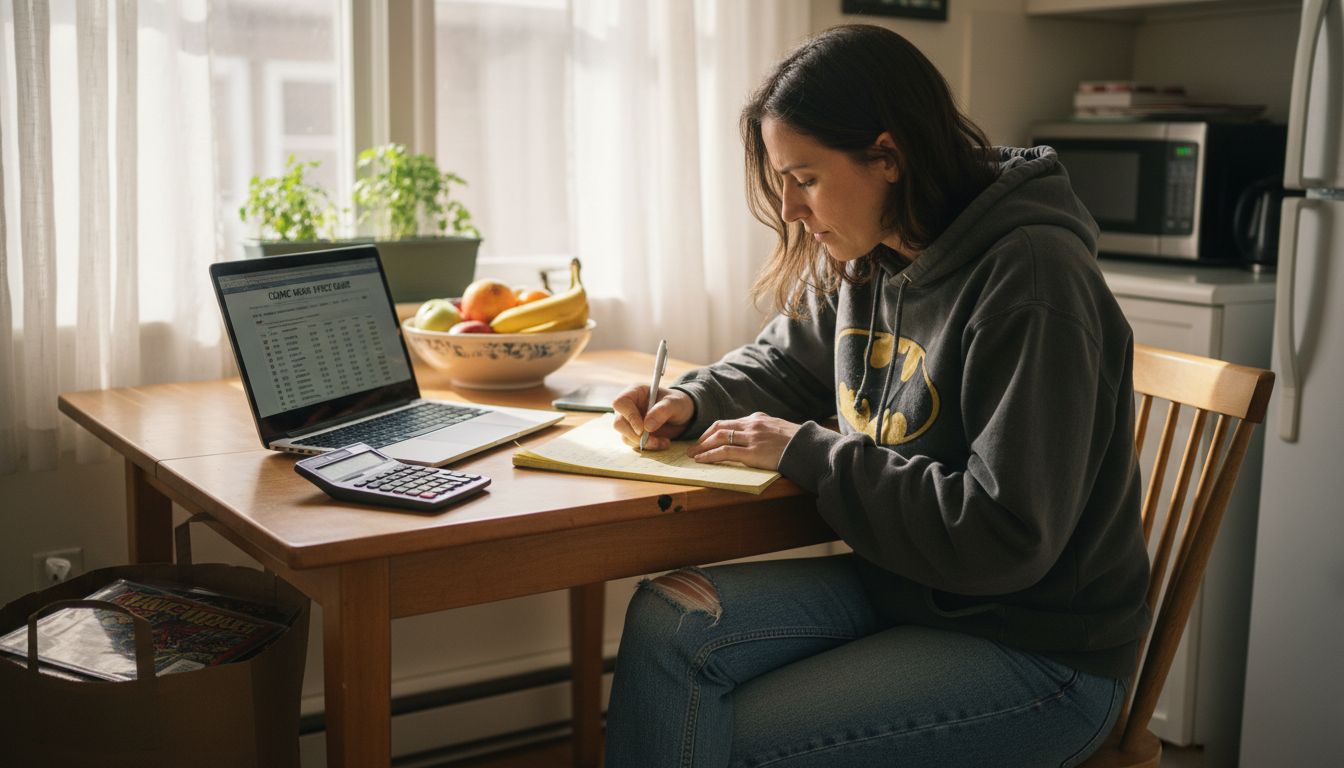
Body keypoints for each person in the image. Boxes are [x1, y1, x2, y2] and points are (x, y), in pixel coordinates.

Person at [604, 23, 1151, 768]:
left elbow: (1006, 534)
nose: (792, 210)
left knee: (720, 735)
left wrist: (811, 452)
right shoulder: (880, 252)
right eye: (783, 182)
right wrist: (694, 400)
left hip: (1039, 650)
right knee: (666, 622)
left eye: (805, 179)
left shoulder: (1032, 277)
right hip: (912, 589)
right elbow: (786, 361)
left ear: (888, 157)